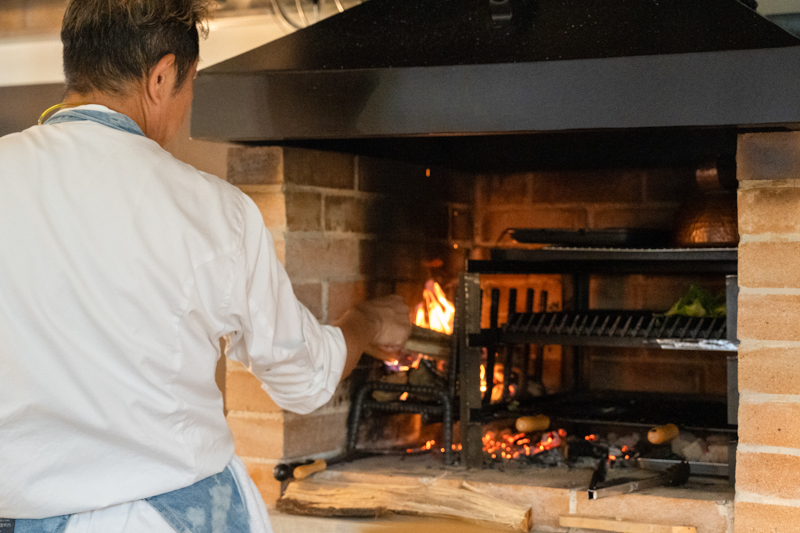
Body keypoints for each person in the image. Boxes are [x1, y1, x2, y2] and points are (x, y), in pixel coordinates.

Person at [0, 1, 411, 532]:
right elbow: (306, 378)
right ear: (162, 75)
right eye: (188, 86)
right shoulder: (213, 210)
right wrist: (367, 323)